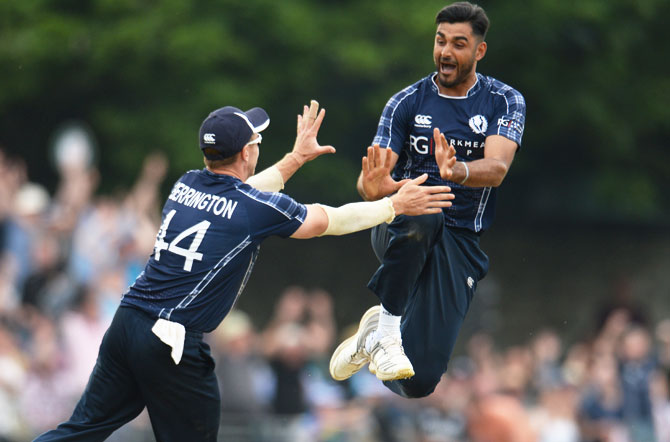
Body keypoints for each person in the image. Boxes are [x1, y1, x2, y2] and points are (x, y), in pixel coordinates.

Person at [34, 101, 454, 441]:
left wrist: (293, 160)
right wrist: (394, 206)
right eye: (256, 140)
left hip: (126, 323)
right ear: (248, 152)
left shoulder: (186, 183)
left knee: (81, 431)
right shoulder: (251, 207)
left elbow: (244, 195)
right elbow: (327, 220)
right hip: (171, 342)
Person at [329, 1, 526, 399]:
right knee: (423, 211)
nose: (446, 53)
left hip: (461, 240)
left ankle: (374, 334)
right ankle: (387, 330)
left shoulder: (504, 101)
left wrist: (459, 172)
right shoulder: (406, 102)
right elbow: (370, 187)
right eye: (440, 41)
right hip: (401, 224)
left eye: (458, 43)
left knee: (417, 382)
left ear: (479, 51)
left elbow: (498, 167)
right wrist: (377, 187)